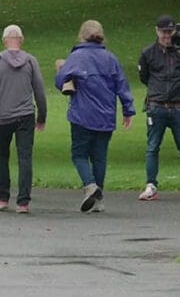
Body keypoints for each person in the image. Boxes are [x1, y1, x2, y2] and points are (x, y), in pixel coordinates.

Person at [54, 20, 135, 213]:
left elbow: (60, 81)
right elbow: (122, 85)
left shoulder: (77, 56)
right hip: (106, 115)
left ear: (81, 36)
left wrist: (62, 72)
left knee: (79, 154)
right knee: (99, 157)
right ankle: (99, 199)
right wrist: (128, 109)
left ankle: (90, 186)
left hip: (82, 114)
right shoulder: (110, 58)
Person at [137, 14, 180, 201]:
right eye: (163, 32)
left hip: (179, 105)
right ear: (157, 31)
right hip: (157, 105)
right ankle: (151, 185)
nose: (167, 36)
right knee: (152, 146)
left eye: (170, 31)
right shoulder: (148, 53)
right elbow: (144, 77)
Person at [0, 24, 47, 214]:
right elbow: (40, 91)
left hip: (3, 117)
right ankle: (23, 202)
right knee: (25, 157)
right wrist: (42, 116)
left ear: (4, 41)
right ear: (22, 39)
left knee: (2, 157)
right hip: (26, 115)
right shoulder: (30, 61)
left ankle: (2, 198)